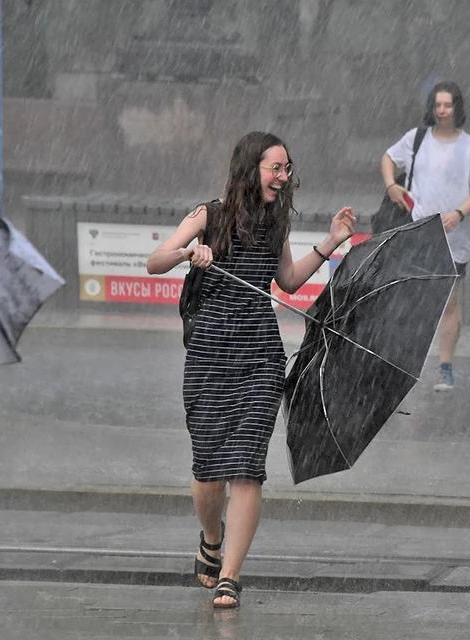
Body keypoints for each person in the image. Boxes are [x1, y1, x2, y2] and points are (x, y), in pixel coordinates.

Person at [147, 131, 355, 609]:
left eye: (287, 170)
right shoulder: (209, 215)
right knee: (207, 471)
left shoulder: (275, 225)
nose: (283, 178)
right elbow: (154, 261)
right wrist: (187, 253)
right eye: (275, 168)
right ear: (250, 168)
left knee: (247, 469)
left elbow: (286, 280)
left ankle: (231, 577)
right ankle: (210, 539)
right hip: (208, 357)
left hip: (261, 355)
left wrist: (330, 242)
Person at [381, 81, 470, 392]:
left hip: (455, 238)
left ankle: (445, 366)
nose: (442, 111)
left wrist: (459, 213)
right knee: (411, 300)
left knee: (449, 303)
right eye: (438, 105)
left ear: (457, 108)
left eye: (448, 105)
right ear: (431, 107)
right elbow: (388, 158)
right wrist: (391, 185)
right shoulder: (416, 139)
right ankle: (404, 363)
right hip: (418, 231)